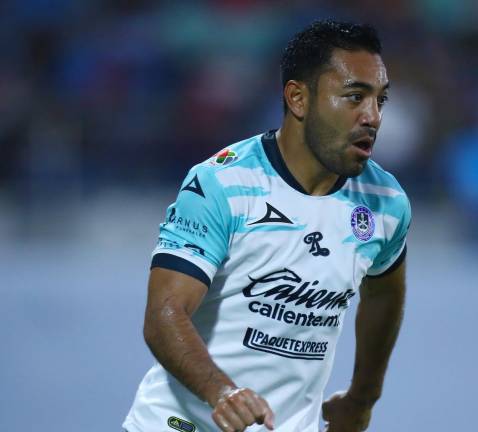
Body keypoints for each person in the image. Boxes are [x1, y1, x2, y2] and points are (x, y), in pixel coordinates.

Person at [123, 20, 411, 432]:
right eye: (354, 97)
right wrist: (221, 392)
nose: (373, 117)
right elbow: (164, 314)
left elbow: (384, 294)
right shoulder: (222, 183)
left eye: (380, 100)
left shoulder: (385, 203)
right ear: (298, 98)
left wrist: (362, 398)